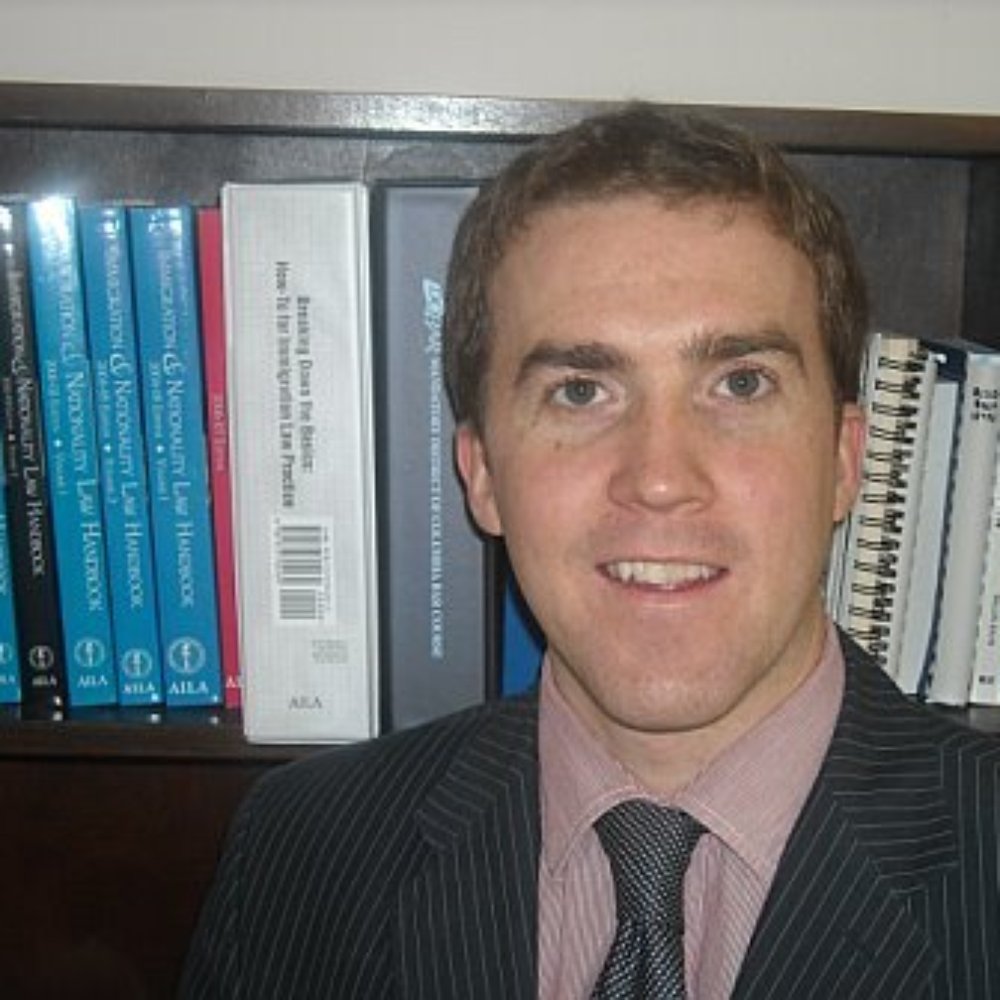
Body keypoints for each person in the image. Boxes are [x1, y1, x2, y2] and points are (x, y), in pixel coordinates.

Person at [180, 104, 1000, 1000]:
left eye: (739, 383)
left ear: (844, 461)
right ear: (482, 475)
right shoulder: (302, 853)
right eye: (580, 391)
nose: (659, 479)